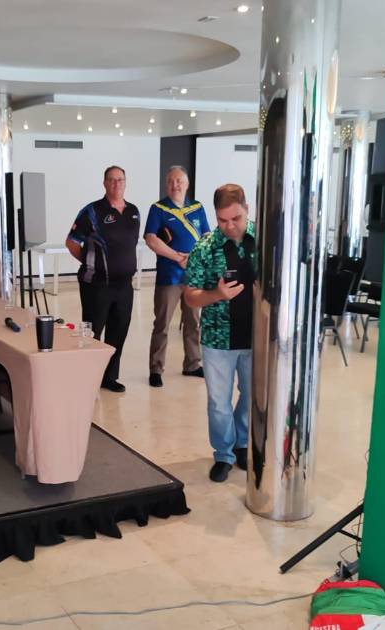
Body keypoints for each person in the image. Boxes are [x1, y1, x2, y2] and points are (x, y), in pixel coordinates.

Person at [183, 184, 257, 482]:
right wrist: (217, 294)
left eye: (236, 218)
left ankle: (243, 442)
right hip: (217, 338)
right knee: (218, 402)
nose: (230, 226)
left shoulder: (265, 240)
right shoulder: (204, 247)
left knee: (252, 396)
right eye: (223, 220)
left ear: (247, 209)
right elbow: (190, 297)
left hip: (257, 336)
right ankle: (224, 453)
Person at [65, 166, 141, 392]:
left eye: (120, 179)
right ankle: (88, 376)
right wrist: (91, 262)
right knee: (93, 333)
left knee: (118, 332)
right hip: (97, 285)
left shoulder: (134, 212)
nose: (116, 183)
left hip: (124, 286)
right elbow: (71, 242)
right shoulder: (92, 211)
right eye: (112, 180)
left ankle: (109, 377)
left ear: (125, 182)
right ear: (105, 183)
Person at [143, 166, 211, 388]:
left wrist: (193, 258)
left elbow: (207, 237)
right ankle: (156, 369)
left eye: (179, 181)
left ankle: (192, 364)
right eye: (171, 181)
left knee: (193, 322)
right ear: (166, 184)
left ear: (187, 184)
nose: (175, 185)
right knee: (162, 323)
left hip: (193, 276)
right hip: (169, 276)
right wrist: (178, 258)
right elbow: (151, 239)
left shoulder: (197, 208)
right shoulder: (158, 209)